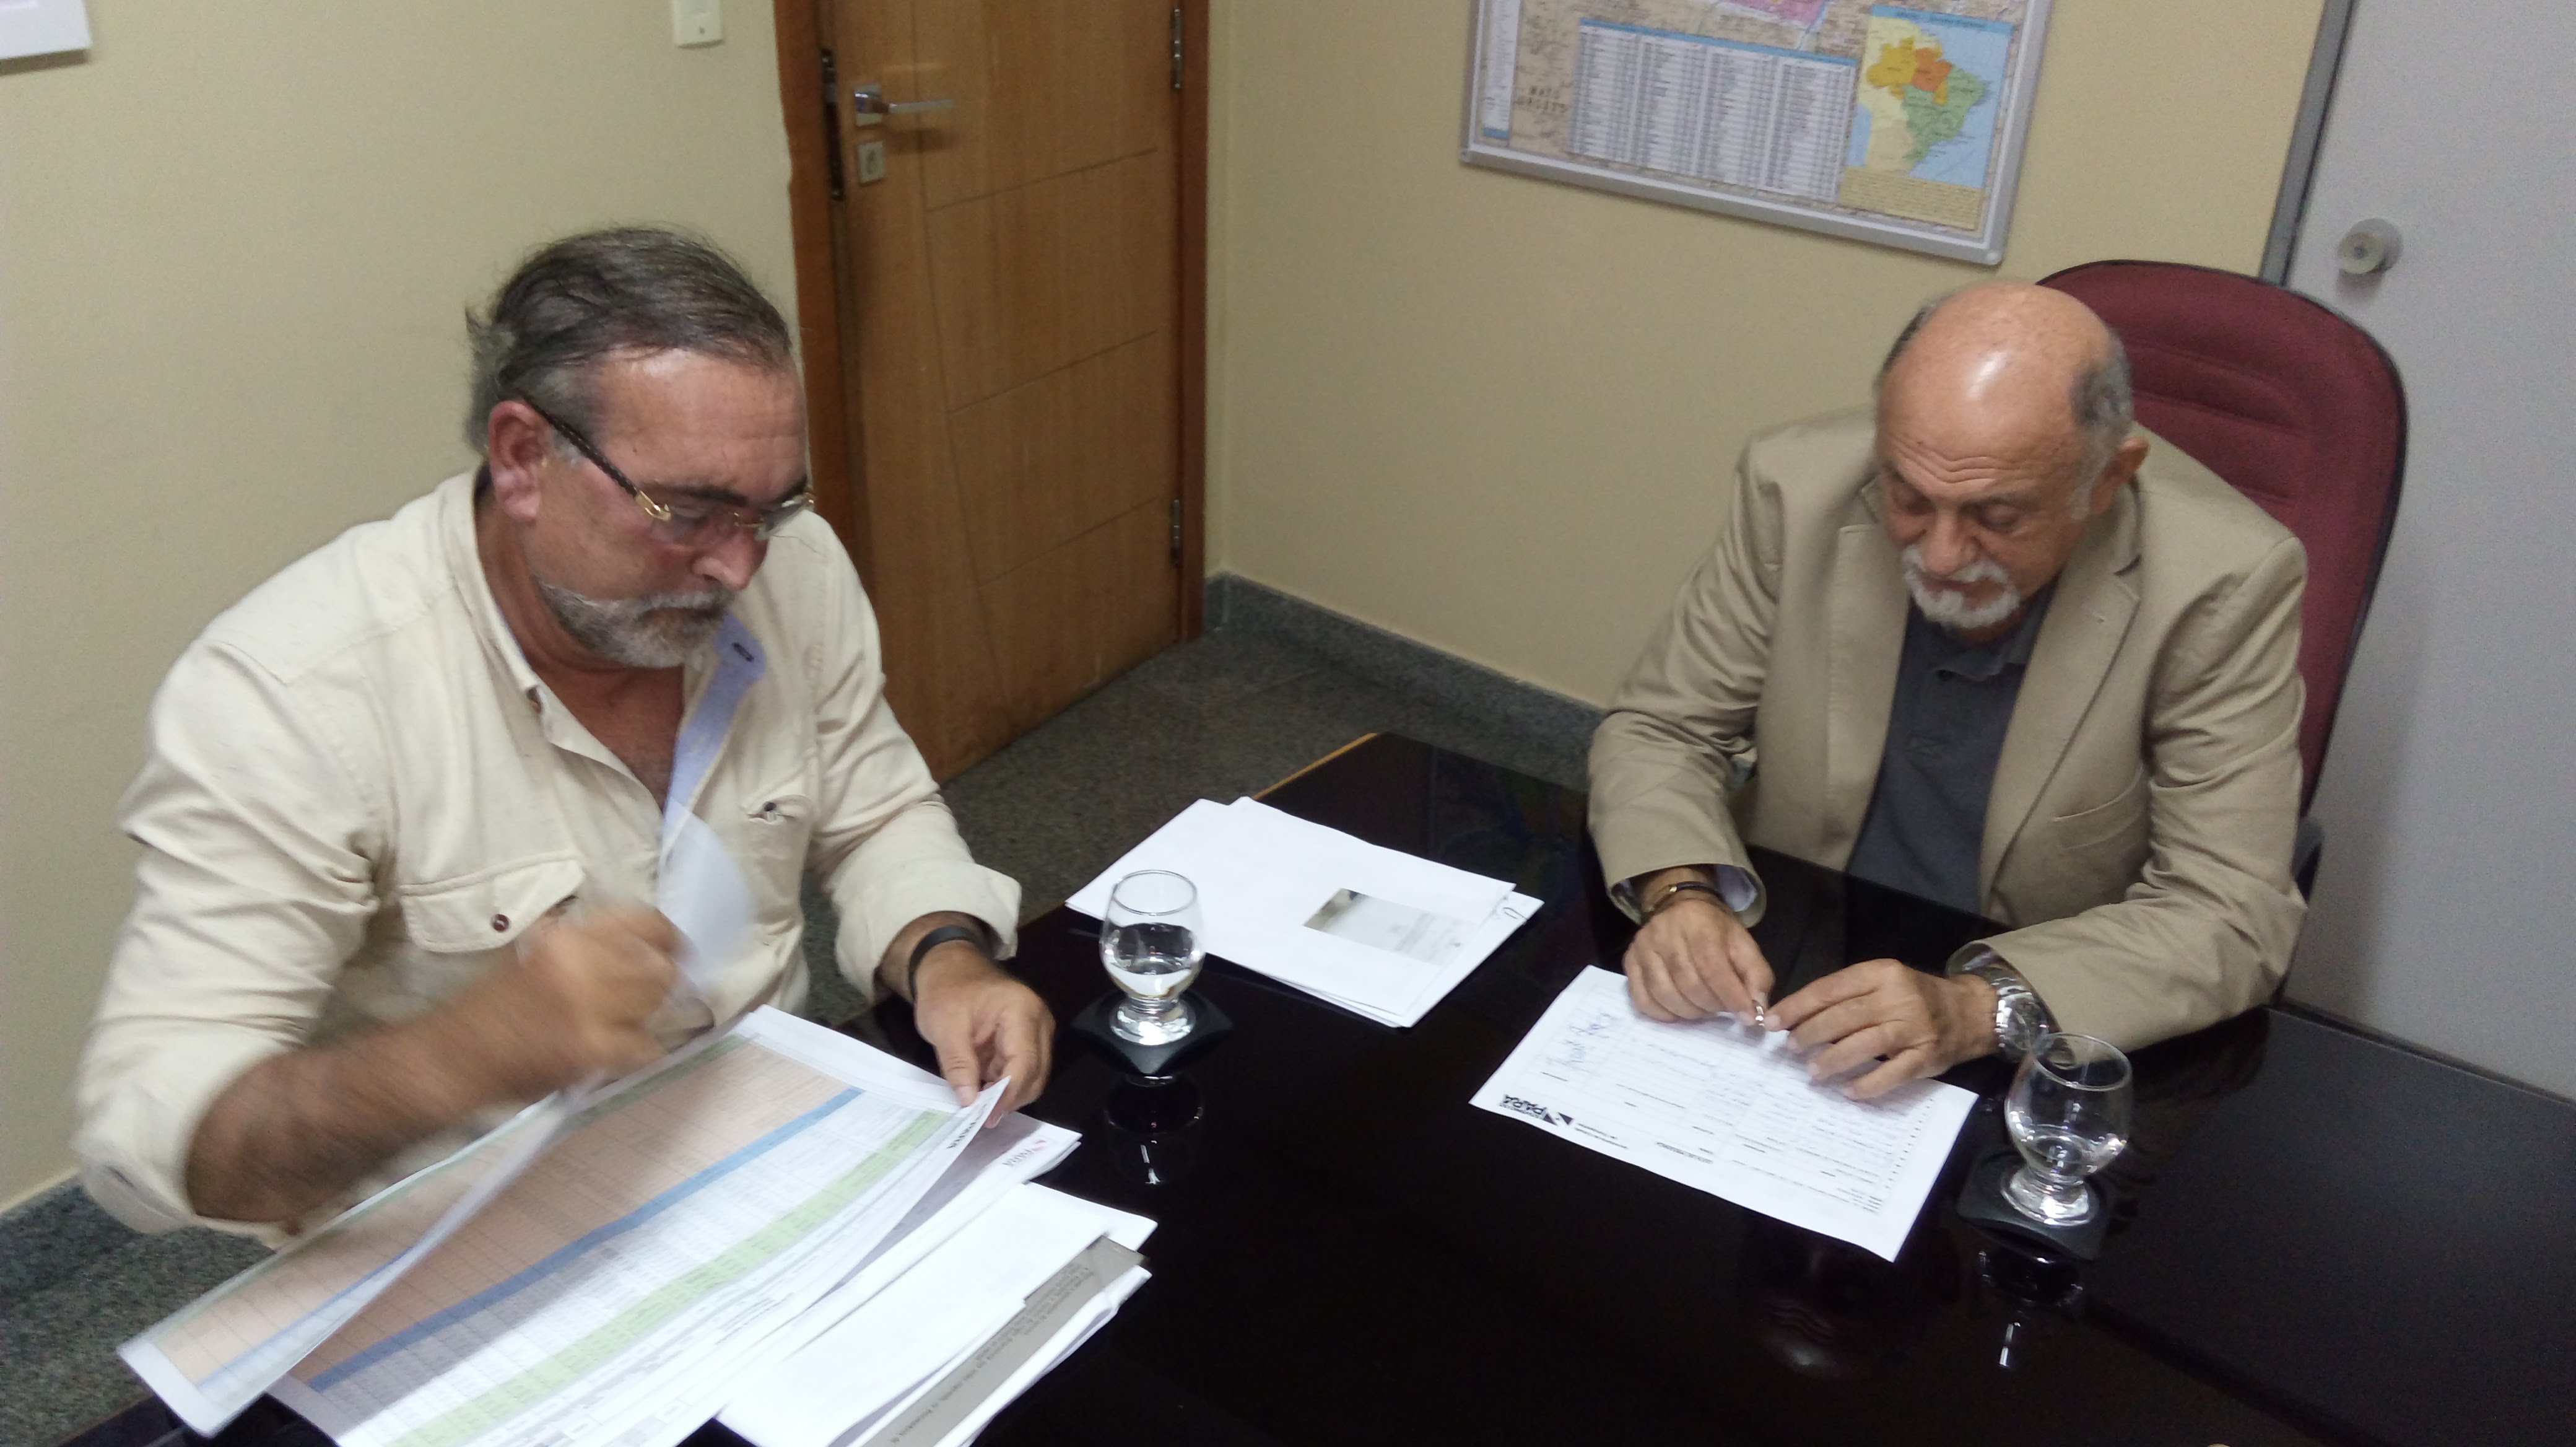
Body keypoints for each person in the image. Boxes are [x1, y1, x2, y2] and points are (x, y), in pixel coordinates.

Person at [76, 227, 1052, 1236]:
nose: (739, 567)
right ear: (522, 458)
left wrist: (946, 956)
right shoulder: (293, 696)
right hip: (473, 1235)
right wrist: (459, 1058)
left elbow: (875, 810)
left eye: (772, 509)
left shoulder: (791, 566)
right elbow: (146, 1143)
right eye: (687, 511)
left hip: (758, 1143)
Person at [1589, 284, 2305, 1098]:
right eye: (1908, 498)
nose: (1939, 557)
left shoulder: (2225, 582)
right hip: (1786, 956)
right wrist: (1682, 891)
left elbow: (2231, 912)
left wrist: (1979, 1010)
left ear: (2108, 478)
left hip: (2037, 1006)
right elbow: (1663, 729)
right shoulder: (1795, 487)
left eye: (1997, 516)